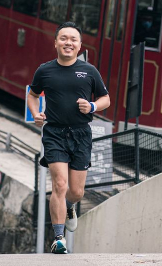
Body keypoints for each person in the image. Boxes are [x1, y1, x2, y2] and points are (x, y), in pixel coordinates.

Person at [27, 21, 110, 254]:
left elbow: (106, 99)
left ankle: (71, 206)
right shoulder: (45, 70)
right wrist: (36, 114)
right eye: (63, 38)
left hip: (81, 134)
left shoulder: (89, 71)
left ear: (80, 45)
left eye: (73, 39)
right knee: (59, 185)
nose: (68, 43)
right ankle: (58, 237)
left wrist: (92, 106)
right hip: (54, 133)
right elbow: (32, 96)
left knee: (76, 192)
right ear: (55, 43)